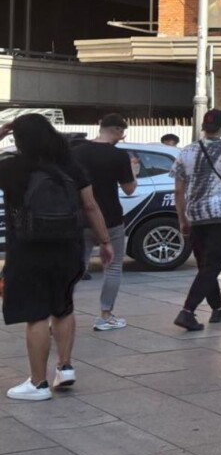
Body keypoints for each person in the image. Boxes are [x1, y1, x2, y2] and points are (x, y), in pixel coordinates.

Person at [0, 115, 113, 400]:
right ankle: (65, 367)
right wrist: (105, 242)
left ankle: (38, 384)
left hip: (28, 248)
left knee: (36, 313)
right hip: (68, 247)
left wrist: (1, 132)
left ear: (19, 139)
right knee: (63, 306)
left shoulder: (12, 167)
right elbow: (90, 206)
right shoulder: (70, 166)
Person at [172, 109, 221, 331]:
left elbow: (179, 191)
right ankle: (187, 311)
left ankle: (217, 309)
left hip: (196, 215)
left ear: (203, 128)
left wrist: (181, 217)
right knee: (213, 265)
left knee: (206, 265)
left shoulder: (186, 152)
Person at [72, 115, 137, 331]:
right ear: (118, 131)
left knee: (75, 268)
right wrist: (134, 171)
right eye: (122, 133)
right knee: (113, 266)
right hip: (111, 218)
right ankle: (105, 315)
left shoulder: (77, 152)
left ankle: (60, 316)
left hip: (80, 218)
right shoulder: (118, 156)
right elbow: (129, 189)